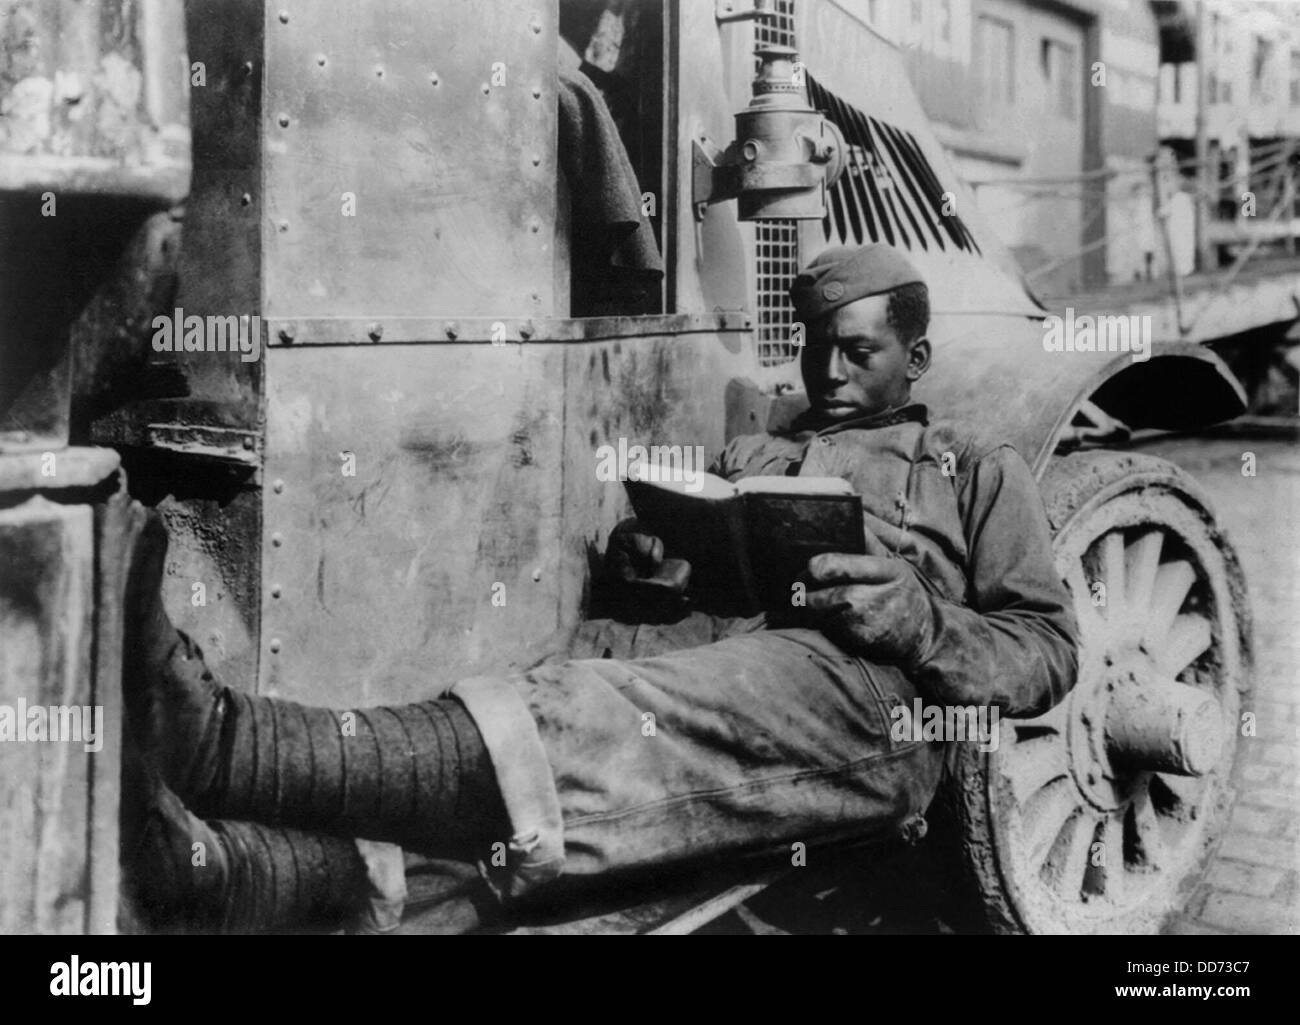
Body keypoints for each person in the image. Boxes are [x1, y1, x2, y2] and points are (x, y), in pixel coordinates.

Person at [122, 244, 1079, 933]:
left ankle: (228, 744)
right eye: (815, 346)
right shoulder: (764, 448)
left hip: (872, 698)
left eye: (858, 353)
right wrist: (657, 560)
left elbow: (1047, 649)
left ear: (914, 360)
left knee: (605, 712)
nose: (827, 371)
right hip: (725, 660)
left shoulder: (968, 465)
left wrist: (922, 621)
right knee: (567, 714)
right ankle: (239, 873)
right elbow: (706, 573)